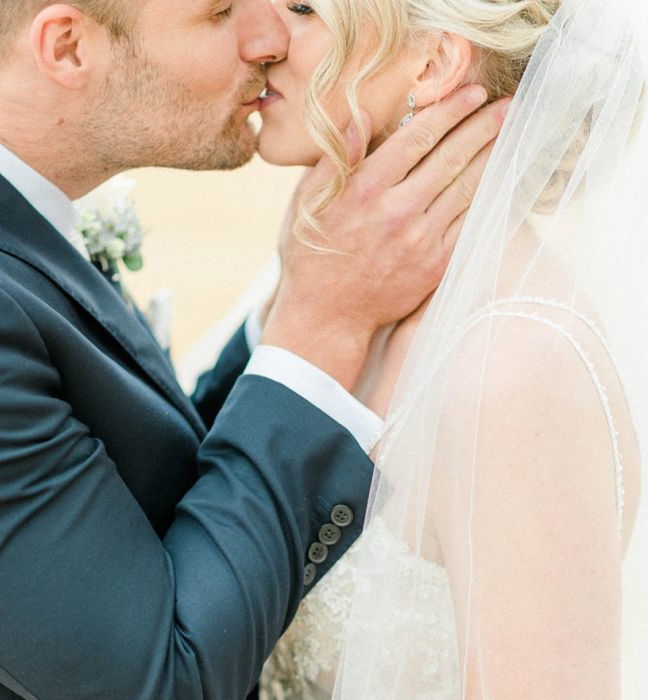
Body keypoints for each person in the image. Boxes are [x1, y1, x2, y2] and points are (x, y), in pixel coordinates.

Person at [0, 1, 505, 698]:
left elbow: (135, 493)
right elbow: (165, 682)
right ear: (68, 48)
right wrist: (321, 324)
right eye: (221, 11)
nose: (269, 38)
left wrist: (284, 309)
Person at [257, 0, 647, 696]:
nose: (262, 37)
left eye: (304, 8)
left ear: (433, 64)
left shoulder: (515, 366)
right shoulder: (317, 288)